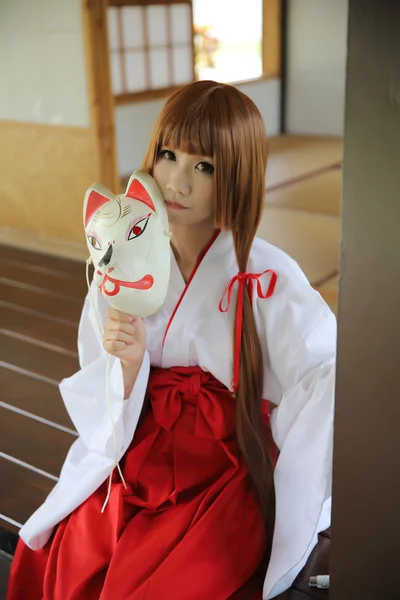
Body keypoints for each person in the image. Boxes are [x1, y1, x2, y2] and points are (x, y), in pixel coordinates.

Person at [7, 80, 336, 599]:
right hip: (138, 446)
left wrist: (303, 479)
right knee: (77, 548)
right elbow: (105, 391)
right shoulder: (126, 254)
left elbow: (323, 371)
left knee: (160, 582)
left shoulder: (265, 274)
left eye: (204, 166)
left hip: (225, 467)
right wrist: (131, 362)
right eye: (168, 155)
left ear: (236, 174)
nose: (177, 182)